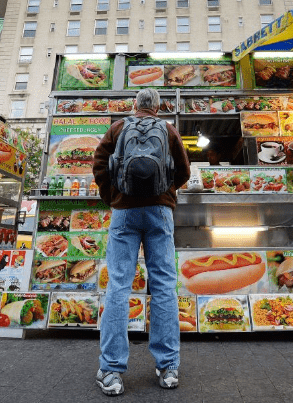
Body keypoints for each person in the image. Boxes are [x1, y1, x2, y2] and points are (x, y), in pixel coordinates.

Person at [92, 88, 191, 396]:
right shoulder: (169, 129)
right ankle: (167, 367)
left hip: (124, 213)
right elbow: (184, 171)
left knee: (119, 285)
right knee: (163, 285)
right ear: (158, 108)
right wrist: (166, 197)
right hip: (159, 212)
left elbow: (99, 164)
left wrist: (114, 198)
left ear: (134, 105)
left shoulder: (118, 127)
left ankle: (111, 371)